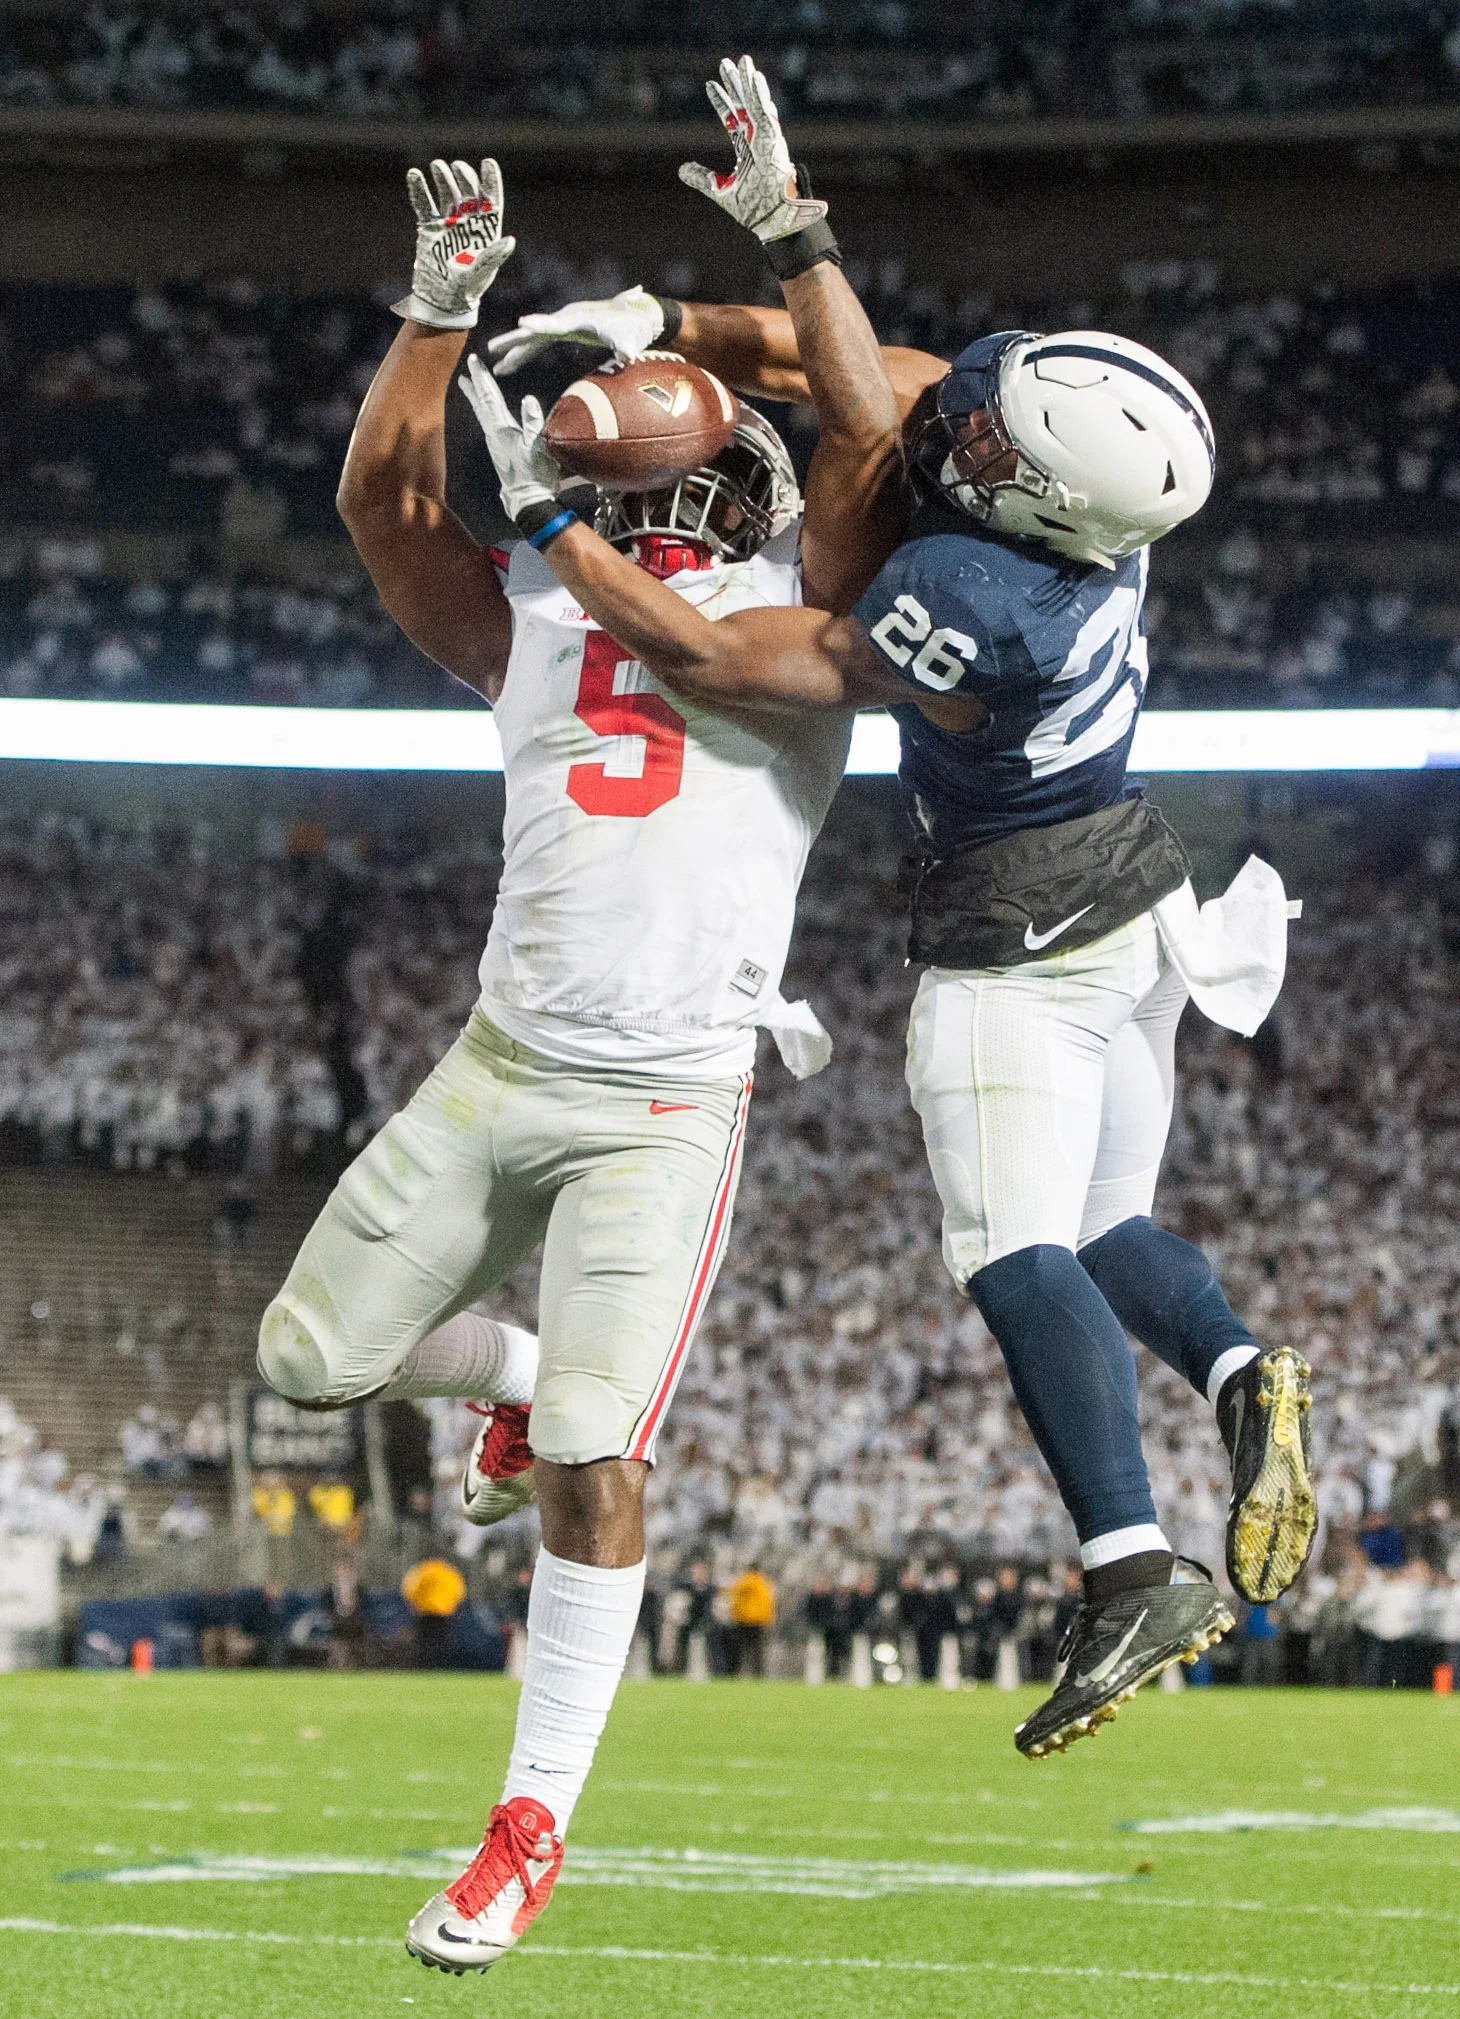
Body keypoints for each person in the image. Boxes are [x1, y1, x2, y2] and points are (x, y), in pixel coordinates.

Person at [470, 54, 1317, 1762]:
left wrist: (552, 512)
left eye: (1000, 436)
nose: (971, 419)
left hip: (1019, 936)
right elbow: (864, 387)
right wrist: (736, 272)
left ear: (1042, 492)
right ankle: (1237, 1373)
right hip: (1141, 887)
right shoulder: (1084, 510)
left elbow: (718, 653)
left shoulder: (972, 597)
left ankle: (1129, 1559)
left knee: (1010, 1250)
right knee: (1108, 1230)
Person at [255, 134, 902, 1975]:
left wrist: (758, 279)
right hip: (502, 1062)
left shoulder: (805, 617)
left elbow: (878, 426)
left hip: (663, 1105)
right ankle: (518, 1365)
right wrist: (437, 317)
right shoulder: (535, 603)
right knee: (309, 1357)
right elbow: (381, 505)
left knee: (607, 1451)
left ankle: (530, 1817)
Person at [727, 1561, 777, 1676]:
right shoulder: (764, 1583)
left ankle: (734, 1672)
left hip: (742, 1620)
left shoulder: (742, 1581)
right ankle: (757, 1673)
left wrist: (734, 1614)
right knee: (756, 1650)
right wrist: (769, 1618)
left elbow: (734, 1600)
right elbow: (769, 1603)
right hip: (758, 1621)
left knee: (738, 1649)